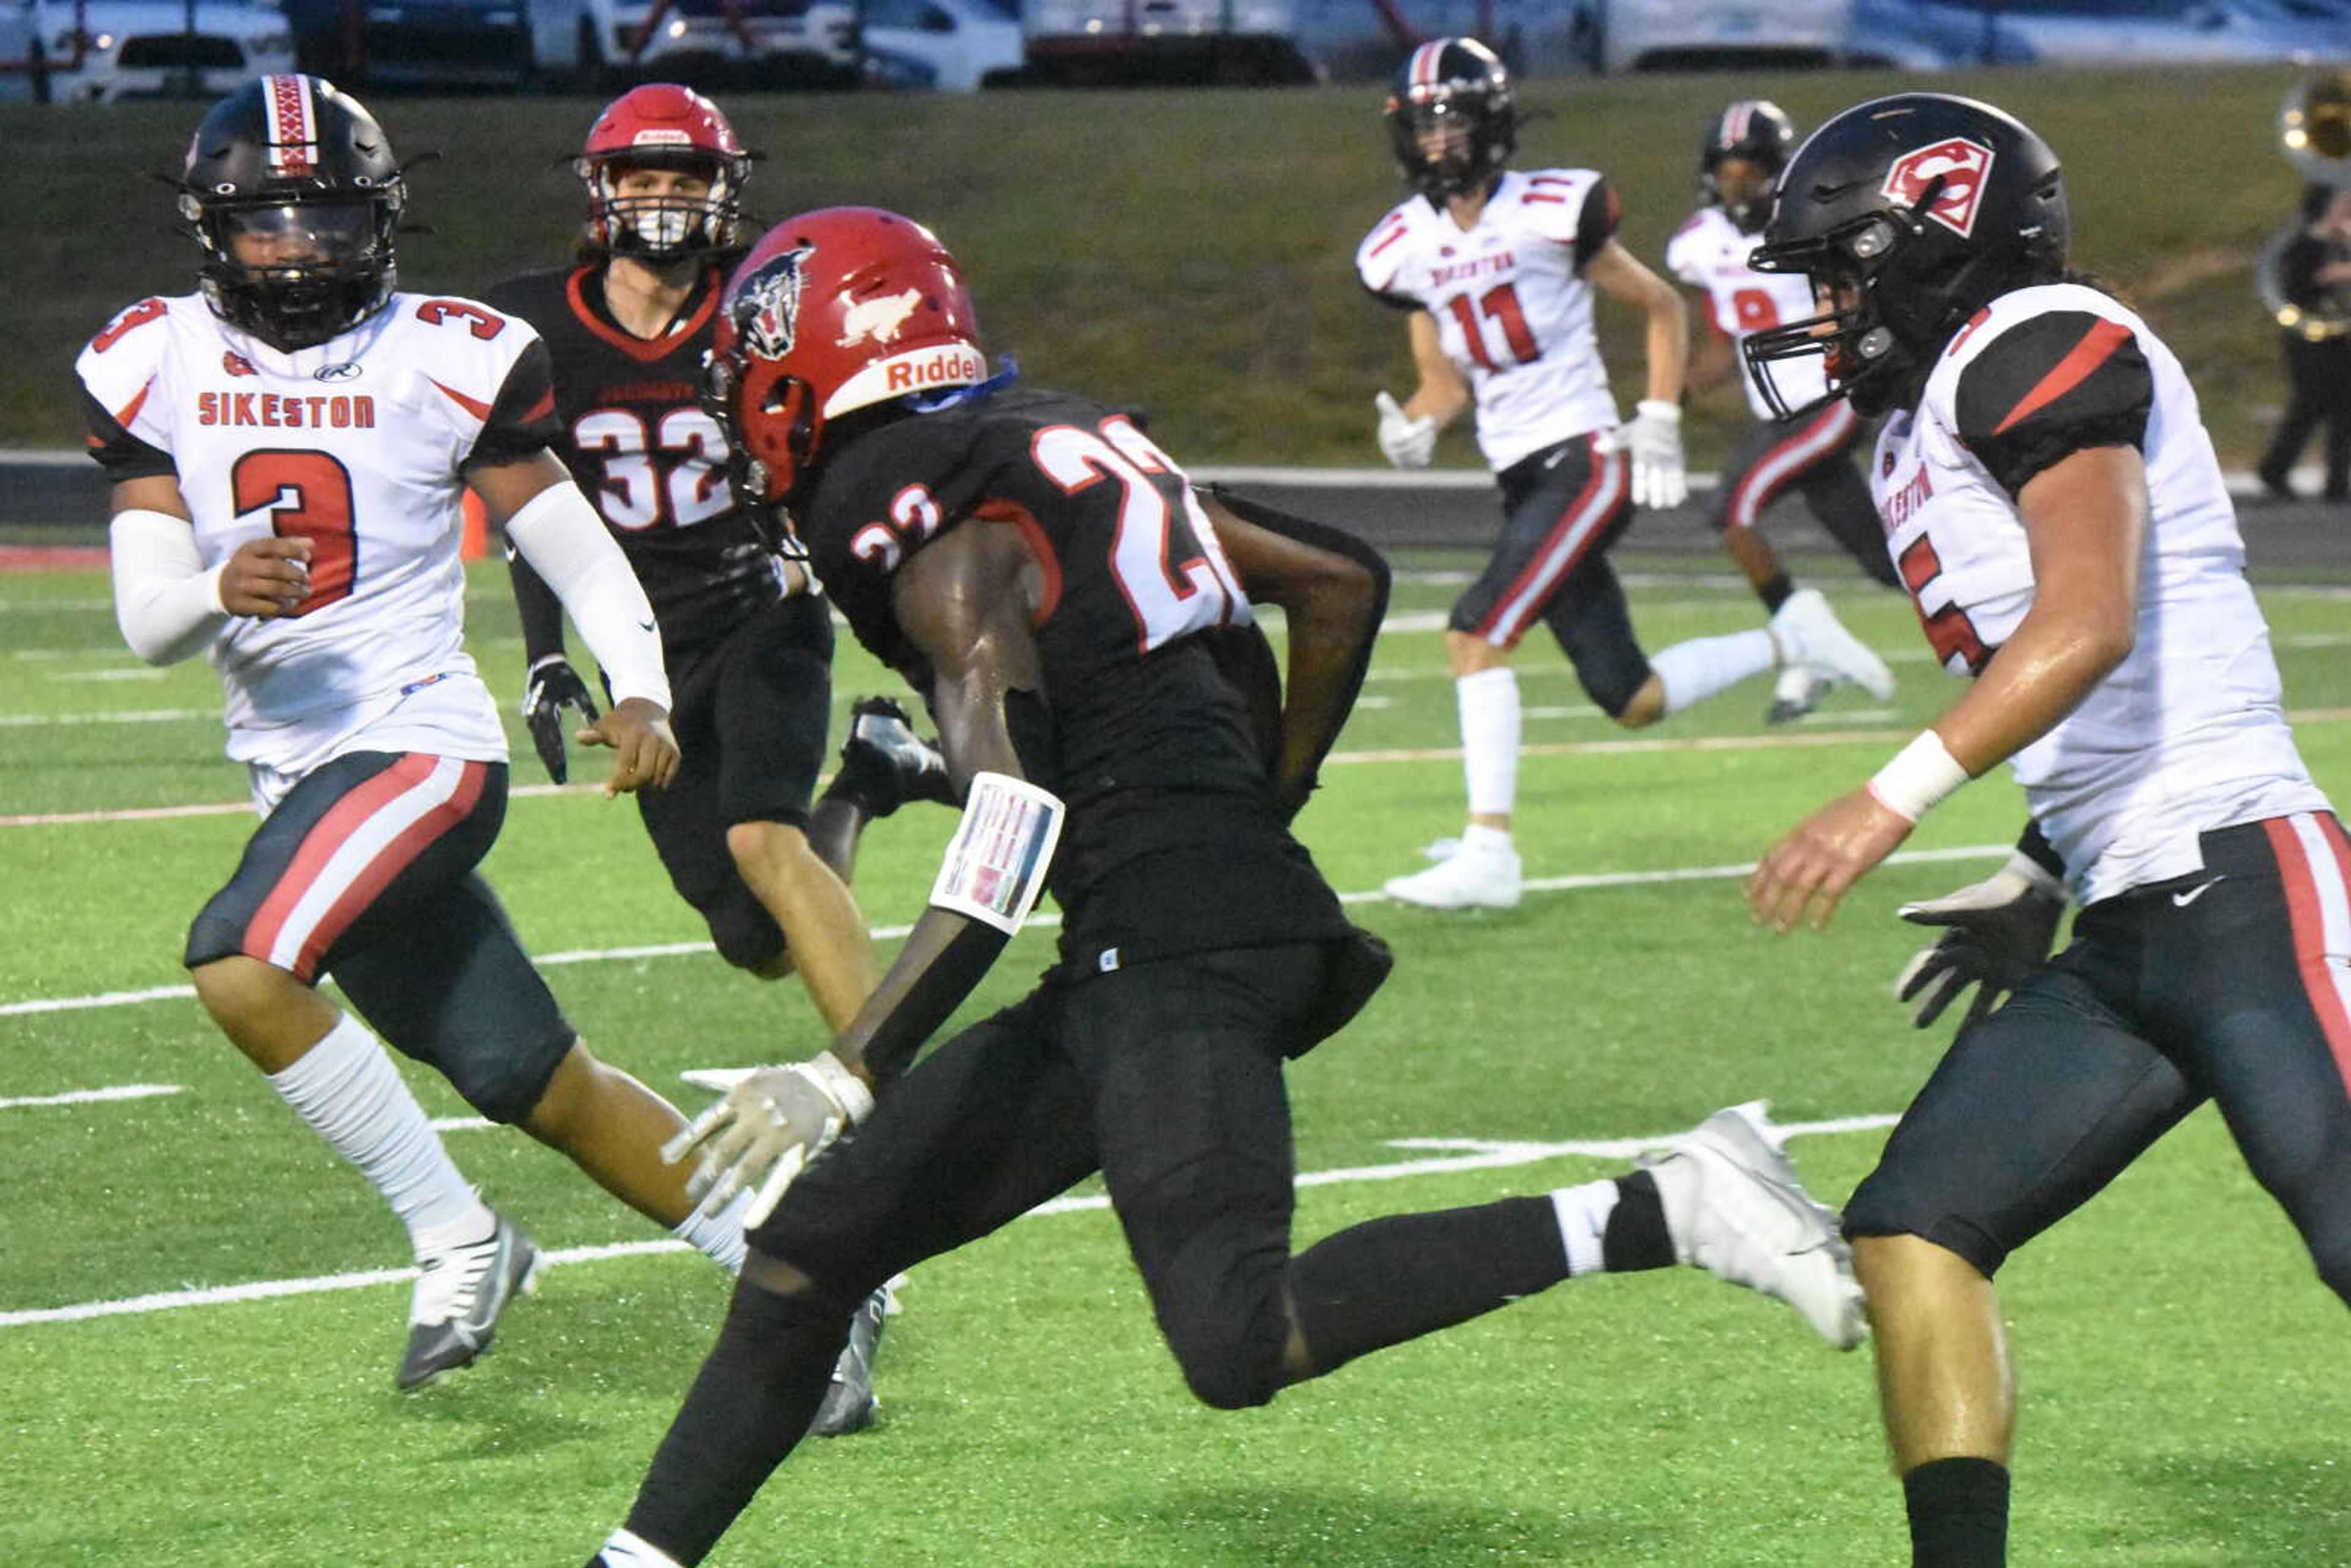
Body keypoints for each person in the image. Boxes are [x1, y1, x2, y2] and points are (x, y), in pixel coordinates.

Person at [577, 205, 1864, 1568]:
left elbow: (1015, 815)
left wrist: (845, 1068)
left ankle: (1678, 1200)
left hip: (1176, 941)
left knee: (1239, 1334)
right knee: (807, 1253)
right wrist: (1259, 799)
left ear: (818, 355)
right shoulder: (1061, 439)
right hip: (1150, 924)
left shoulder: (918, 507)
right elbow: (1340, 583)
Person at [1739, 92, 2351, 1568]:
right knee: (1913, 1223)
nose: (1823, 300)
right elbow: (2064, 685)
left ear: (1936, 240)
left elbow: (2088, 617)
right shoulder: (1915, 434)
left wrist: (1881, 797)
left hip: (2243, 864)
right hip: (2128, 914)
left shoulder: (2031, 339)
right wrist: (2038, 861)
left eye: (1843, 261)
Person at [79, 73, 754, 1393]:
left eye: (327, 217)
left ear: (379, 220)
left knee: (240, 962)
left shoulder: (446, 352)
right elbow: (152, 625)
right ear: (213, 228)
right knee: (534, 1076)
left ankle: (457, 1229)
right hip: (300, 771)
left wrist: (644, 685)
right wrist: (216, 588)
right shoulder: (148, 357)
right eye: (267, 221)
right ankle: (808, 1271)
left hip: (421, 747)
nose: (299, 249)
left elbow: (577, 547)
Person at [481, 85, 953, 1433]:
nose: (667, 197)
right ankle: (870, 775)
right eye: (644, 175)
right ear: (601, 188)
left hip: (764, 615)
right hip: (645, 657)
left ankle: (894, 1107)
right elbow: (523, 498)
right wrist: (548, 649)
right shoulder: (530, 324)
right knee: (751, 929)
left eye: (689, 174)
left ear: (727, 185)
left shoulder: (760, 299)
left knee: (760, 839)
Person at [1357, 38, 1894, 912]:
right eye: (1425, 126)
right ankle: (1794, 640)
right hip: (1520, 471)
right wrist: (1416, 425)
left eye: (1454, 122)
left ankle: (1490, 850)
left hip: (1586, 456)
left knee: (1474, 630)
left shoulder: (1550, 208)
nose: (1439, 141)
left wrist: (1655, 415)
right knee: (1630, 696)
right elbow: (1443, 381)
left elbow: (1660, 305)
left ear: (1490, 123)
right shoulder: (1399, 249)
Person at [1665, 98, 1900, 725]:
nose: (1737, 180)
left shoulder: (1810, 225)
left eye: (1751, 167)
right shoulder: (1699, 244)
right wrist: (1667, 400)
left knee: (1732, 506)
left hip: (1828, 399)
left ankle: (1806, 638)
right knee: (1886, 562)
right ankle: (2001, 598)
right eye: (1728, 168)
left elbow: (1857, 304)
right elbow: (1724, 342)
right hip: (1779, 412)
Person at [2255, 180, 2351, 503]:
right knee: (2308, 406)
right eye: (2341, 204)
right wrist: (2331, 275)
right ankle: (2275, 469)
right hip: (2307, 340)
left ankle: (2338, 481)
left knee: (2344, 409)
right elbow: (2295, 290)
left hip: (2339, 338)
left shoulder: (2341, 245)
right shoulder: (2302, 246)